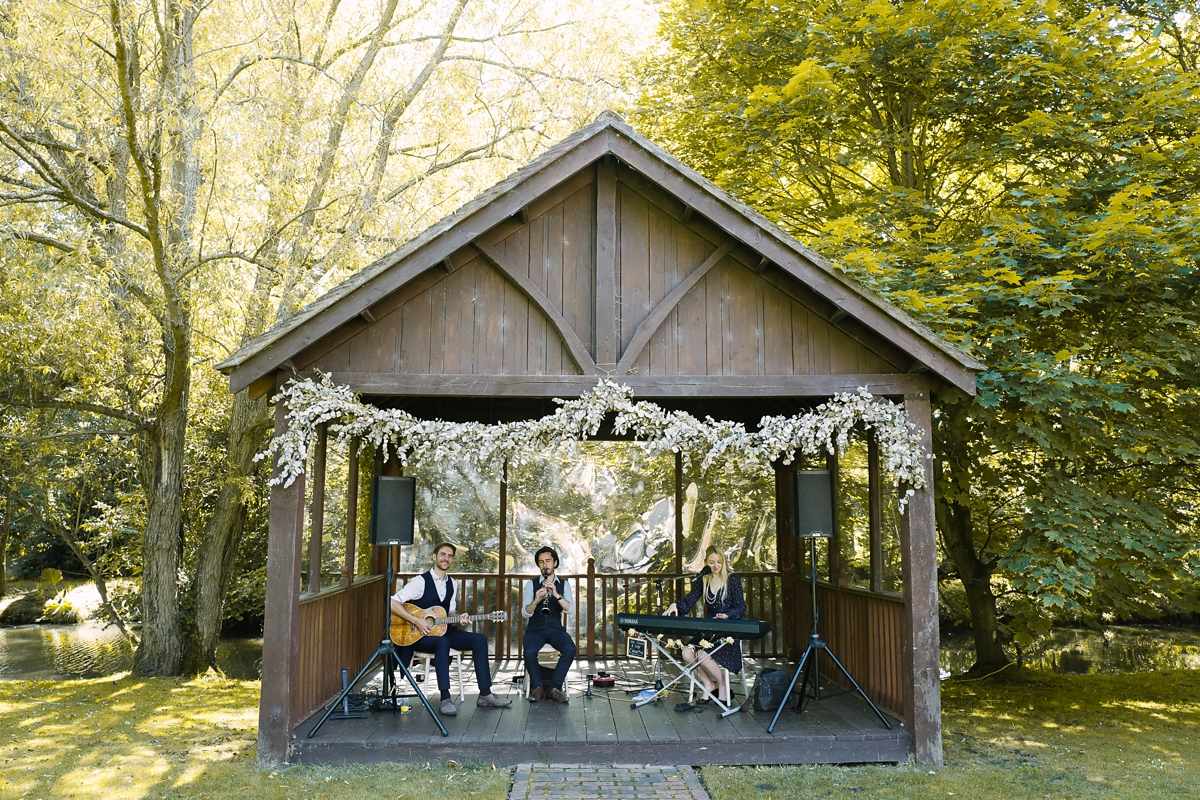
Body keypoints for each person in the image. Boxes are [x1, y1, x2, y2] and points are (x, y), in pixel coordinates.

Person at [391, 542, 511, 715]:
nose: (446, 558)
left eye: (449, 556)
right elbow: (393, 601)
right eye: (443, 554)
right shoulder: (420, 582)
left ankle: (485, 693)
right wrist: (416, 621)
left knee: (479, 639)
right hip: (419, 636)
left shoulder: (452, 584)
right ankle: (445, 698)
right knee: (442, 643)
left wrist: (458, 618)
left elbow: (449, 611)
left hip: (443, 631)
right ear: (434, 557)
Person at [664, 546, 745, 705]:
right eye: (712, 562)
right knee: (687, 652)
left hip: (728, 631)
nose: (716, 566)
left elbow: (741, 607)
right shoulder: (704, 579)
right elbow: (689, 600)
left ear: (724, 562)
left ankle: (722, 684)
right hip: (709, 630)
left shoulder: (732, 579)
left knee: (701, 654)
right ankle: (709, 684)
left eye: (719, 562)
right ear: (706, 563)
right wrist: (675, 605)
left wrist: (727, 615)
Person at [521, 546, 577, 703]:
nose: (545, 565)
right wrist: (536, 600)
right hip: (535, 628)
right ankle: (537, 687)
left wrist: (556, 595)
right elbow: (525, 612)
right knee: (530, 651)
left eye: (548, 561)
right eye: (541, 562)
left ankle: (554, 687)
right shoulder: (531, 585)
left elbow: (570, 609)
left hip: (555, 628)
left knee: (570, 649)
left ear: (555, 563)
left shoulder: (563, 584)